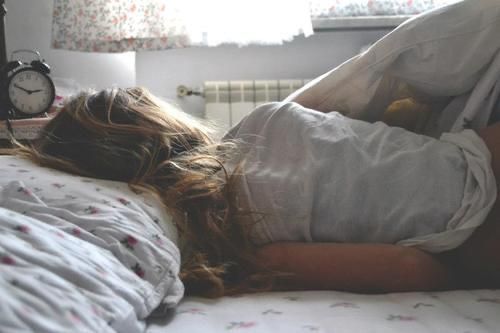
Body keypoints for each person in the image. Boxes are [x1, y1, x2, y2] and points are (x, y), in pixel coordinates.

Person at [6, 87, 500, 298]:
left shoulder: (251, 241)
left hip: (474, 233)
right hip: (478, 151)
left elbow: (413, 270)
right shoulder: (271, 116)